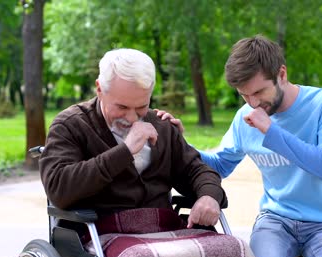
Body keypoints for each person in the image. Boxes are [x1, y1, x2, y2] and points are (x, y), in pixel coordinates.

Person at [157, 35, 322, 257]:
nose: (252, 103)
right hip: (276, 222)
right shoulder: (245, 117)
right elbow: (220, 165)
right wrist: (180, 143)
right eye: (244, 94)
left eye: (259, 92)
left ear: (281, 74)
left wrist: (272, 131)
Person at [39, 48, 227, 229]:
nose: (131, 118)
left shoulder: (161, 125)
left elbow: (197, 171)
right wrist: (125, 151)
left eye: (140, 107)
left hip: (163, 228)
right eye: (121, 107)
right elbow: (59, 189)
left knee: (233, 249)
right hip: (102, 233)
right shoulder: (71, 125)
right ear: (99, 89)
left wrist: (209, 196)